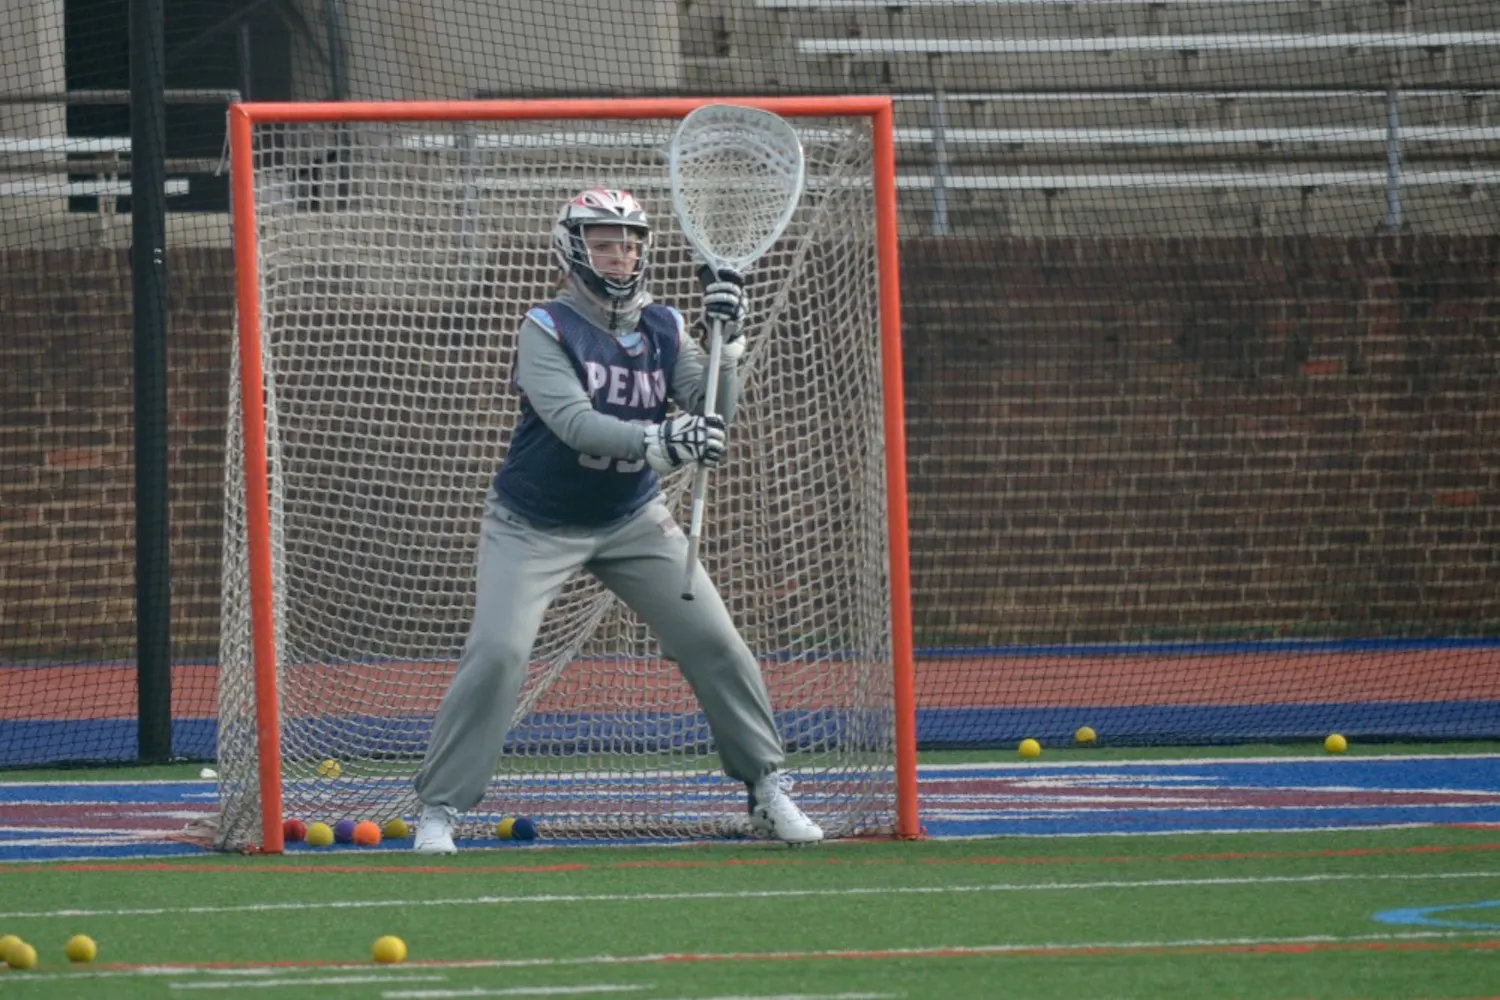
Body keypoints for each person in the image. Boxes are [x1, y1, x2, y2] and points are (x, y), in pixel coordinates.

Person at [410, 187, 824, 853]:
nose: (621, 254)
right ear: (575, 248)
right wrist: (660, 444)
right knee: (499, 654)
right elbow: (575, 423)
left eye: (630, 242)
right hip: (533, 523)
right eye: (606, 242)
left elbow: (712, 405)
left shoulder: (663, 324)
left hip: (632, 517)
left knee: (715, 642)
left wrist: (731, 338)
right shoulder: (546, 326)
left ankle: (766, 787)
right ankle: (441, 807)